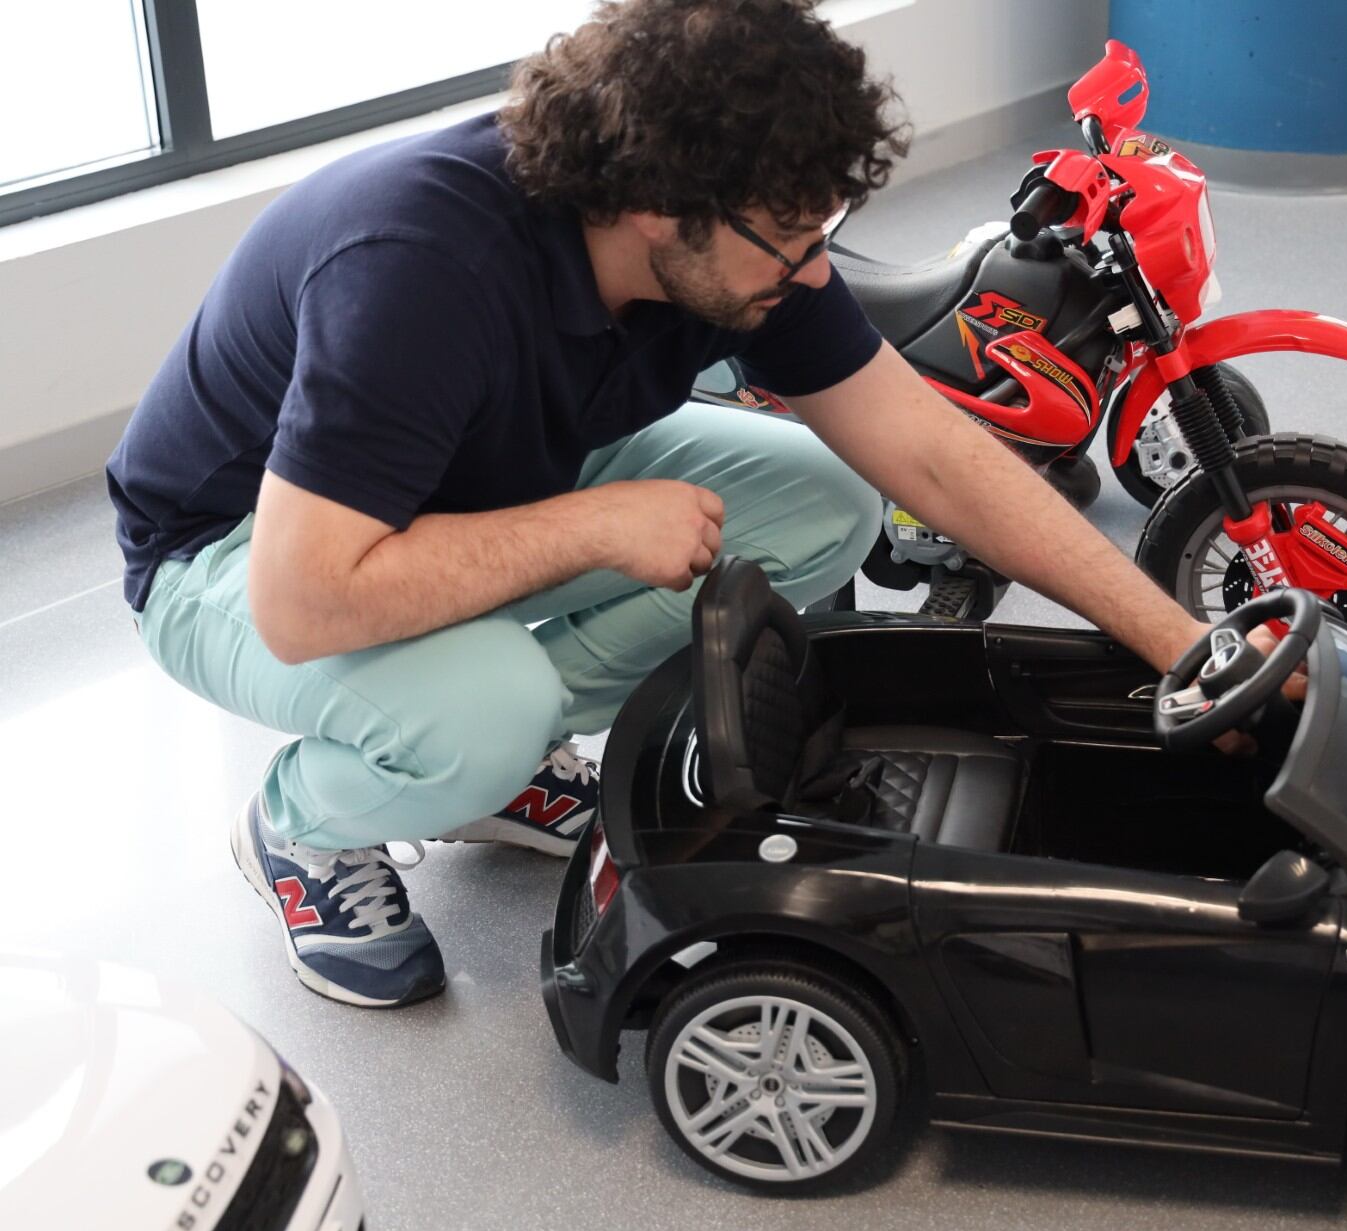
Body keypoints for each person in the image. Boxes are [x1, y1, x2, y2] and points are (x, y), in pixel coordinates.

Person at [106, 0, 1216, 1009]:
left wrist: (1182, 644)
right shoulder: (419, 270)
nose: (810, 262)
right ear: (655, 204)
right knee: (485, 701)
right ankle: (306, 821)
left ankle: (495, 759)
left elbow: (928, 454)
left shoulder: (737, 248)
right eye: (786, 234)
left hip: (482, 477)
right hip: (237, 552)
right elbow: (304, 602)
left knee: (825, 499)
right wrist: (593, 526)